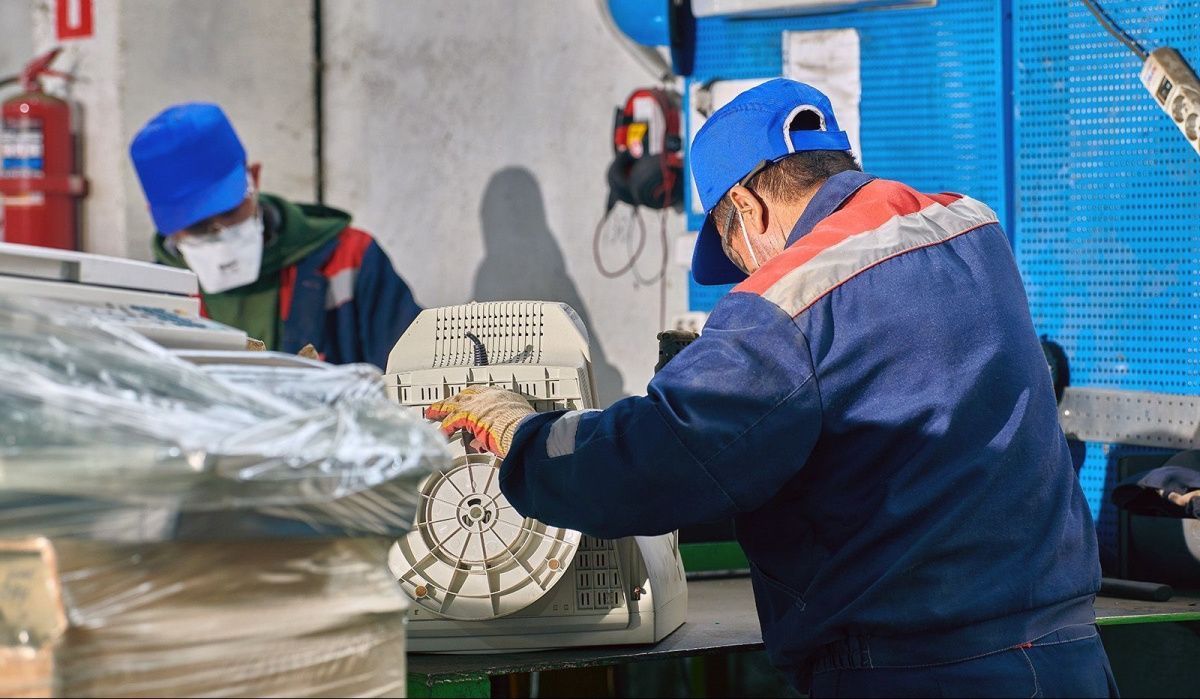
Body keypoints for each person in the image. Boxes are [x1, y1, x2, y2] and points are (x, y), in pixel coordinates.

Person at [424, 79, 1117, 698]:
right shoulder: (970, 228)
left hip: (914, 672)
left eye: (729, 249)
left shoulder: (791, 299)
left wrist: (526, 436)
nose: (742, 271)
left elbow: (663, 456)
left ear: (747, 207)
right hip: (1067, 654)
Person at [129, 102, 420, 369]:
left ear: (253, 179)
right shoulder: (151, 301)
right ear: (163, 221)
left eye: (230, 212)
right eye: (198, 226)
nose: (219, 234)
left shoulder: (349, 260)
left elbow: (420, 373)